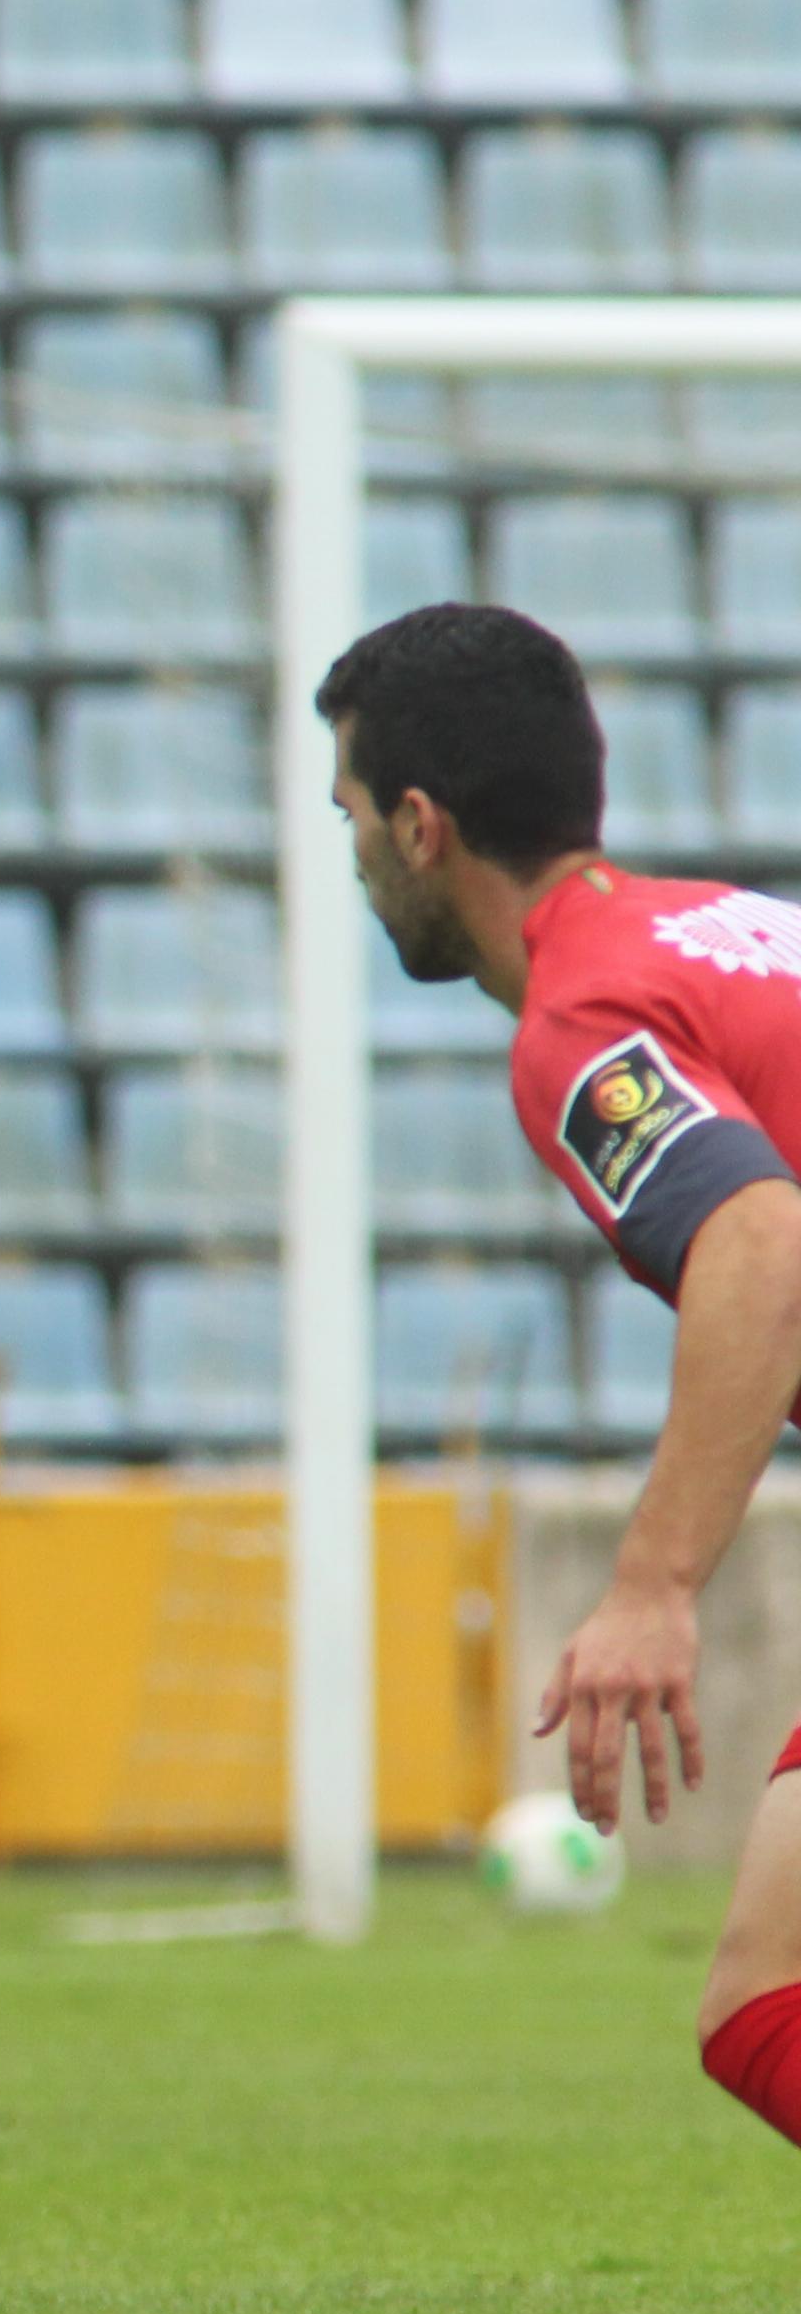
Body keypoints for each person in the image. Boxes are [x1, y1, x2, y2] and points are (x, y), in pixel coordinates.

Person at [320, 601, 801, 2175]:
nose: (355, 864)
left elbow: (758, 1239)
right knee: (764, 2001)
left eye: (351, 817)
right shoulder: (732, 925)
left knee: (769, 2004)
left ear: (419, 823)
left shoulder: (585, 1013)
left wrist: (656, 1584)